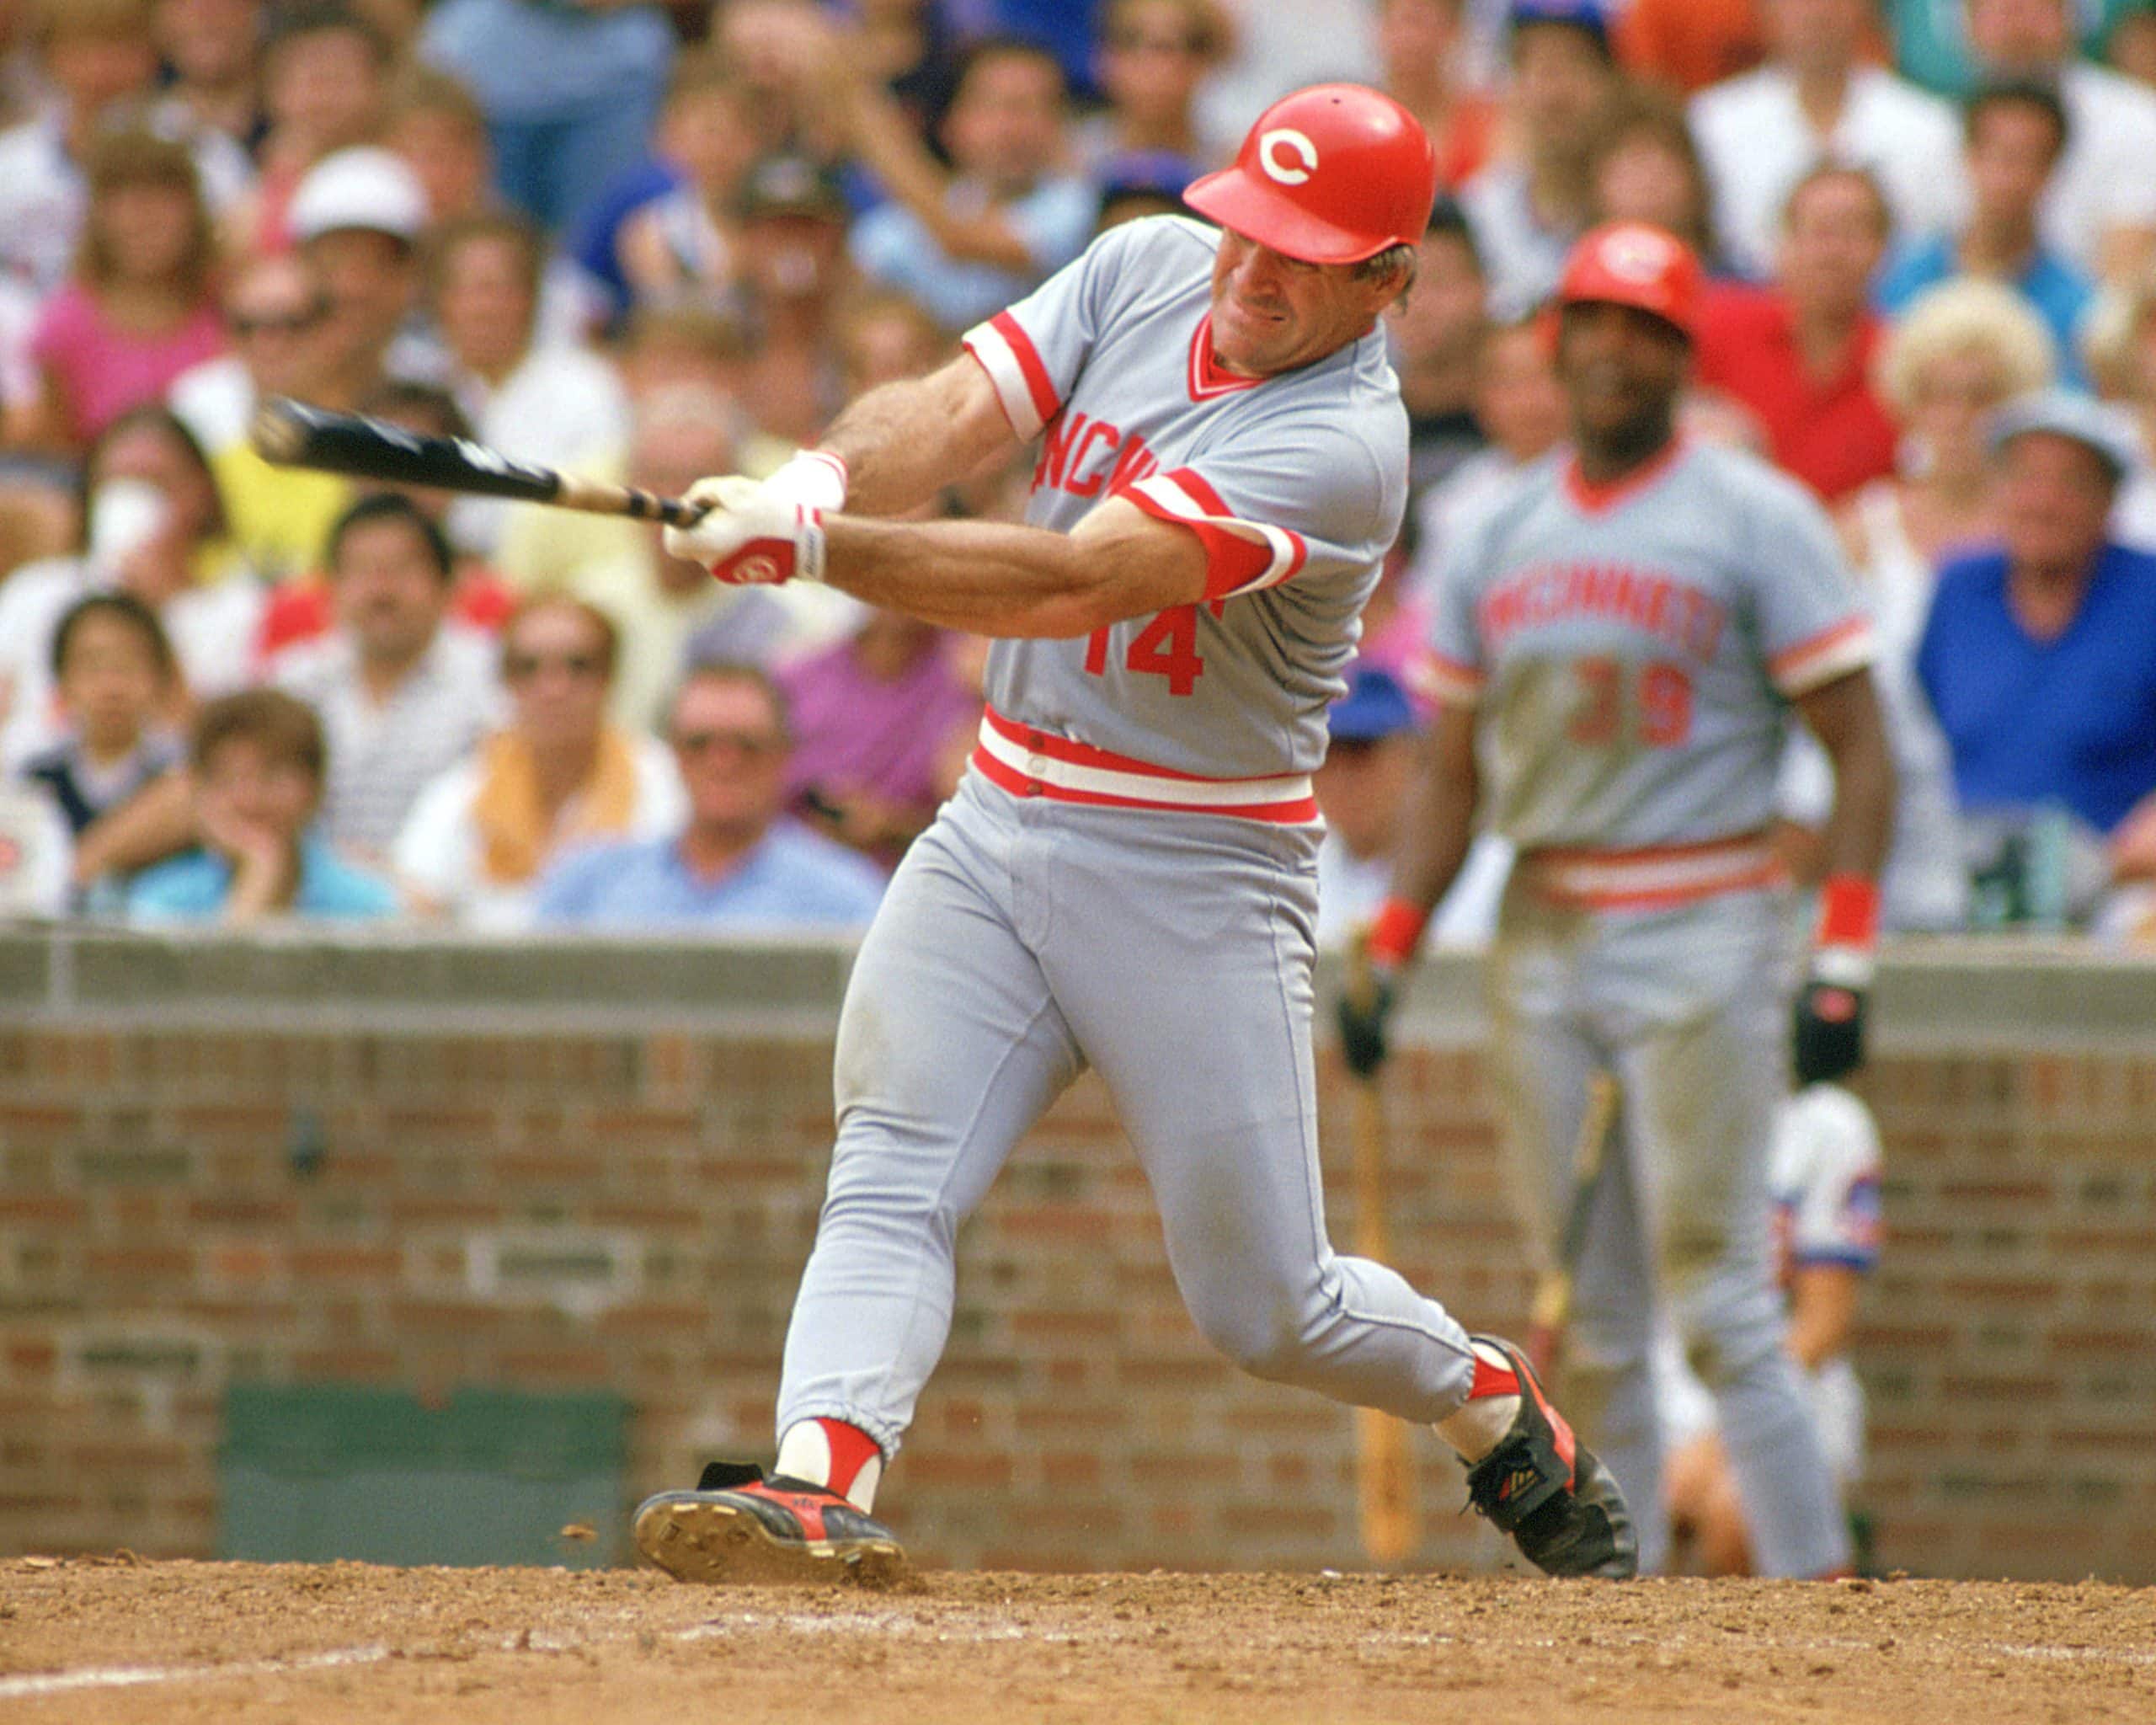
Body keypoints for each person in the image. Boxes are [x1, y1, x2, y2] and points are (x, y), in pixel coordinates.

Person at [631, 84, 1636, 1586]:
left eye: (1305, 251)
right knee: (893, 1155)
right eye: (1249, 225)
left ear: (1389, 282)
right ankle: (817, 1479)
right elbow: (956, 410)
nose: (1252, 268)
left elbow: (1072, 584)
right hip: (1002, 816)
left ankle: (1486, 1398)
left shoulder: (1343, 440)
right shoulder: (1150, 262)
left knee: (1266, 1307)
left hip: (1196, 871)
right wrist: (813, 480)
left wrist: (822, 556)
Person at [1342, 221, 1895, 1579]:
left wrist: (1846, 956)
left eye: (1643, 325)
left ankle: (1819, 1588)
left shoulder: (1756, 512)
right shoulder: (1497, 529)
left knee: (1718, 1298)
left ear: (1679, 349)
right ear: (1555, 337)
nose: (1610, 347)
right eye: (1590, 318)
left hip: (1706, 911)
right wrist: (1396, 948)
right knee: (1588, 1313)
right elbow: (1452, 773)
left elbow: (1863, 742)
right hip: (1542, 924)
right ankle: (1625, 1606)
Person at [1784, 279, 2057, 934]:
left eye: (1981, 395)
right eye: (1937, 393)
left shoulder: (2045, 534)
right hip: (1878, 793)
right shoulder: (1855, 529)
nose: (1957, 415)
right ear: (1909, 402)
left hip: (2001, 792)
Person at [1916, 391, 2156, 865]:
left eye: (2073, 483)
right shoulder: (1960, 587)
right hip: (1968, 866)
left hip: (2120, 881)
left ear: (2109, 500)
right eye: (2025, 479)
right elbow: (1918, 731)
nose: (2044, 502)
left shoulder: (2146, 592)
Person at [1660, 1076, 1883, 1577]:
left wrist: (1716, 1445)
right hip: (1667, 1391)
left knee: (1737, 1516)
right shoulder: (1641, 1108)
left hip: (1789, 1400)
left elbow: (1824, 1323)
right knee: (1610, 1520)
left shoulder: (1825, 1124)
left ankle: (1832, 1646)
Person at [394, 595, 684, 929]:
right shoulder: (463, 792)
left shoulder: (663, 780)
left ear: (609, 678)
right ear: (506, 682)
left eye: (578, 666)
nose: (553, 688)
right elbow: (415, 906)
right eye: (529, 668)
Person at [0, 405, 261, 771]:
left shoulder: (237, 608)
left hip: (165, 796)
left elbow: (213, 753)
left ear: (202, 494)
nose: (132, 501)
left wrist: (152, 610)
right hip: (30, 791)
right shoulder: (35, 590)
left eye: (155, 485)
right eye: (116, 485)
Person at [531, 661, 883, 931]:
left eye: (747, 745)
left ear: (783, 754)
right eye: (700, 744)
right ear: (674, 755)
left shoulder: (846, 898)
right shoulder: (587, 881)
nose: (723, 763)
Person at [270, 492, 504, 862]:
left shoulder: (494, 677)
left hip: (455, 897)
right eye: (361, 571)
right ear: (331, 588)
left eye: (401, 570)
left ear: (448, 584)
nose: (381, 591)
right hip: (316, 899)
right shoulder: (293, 681)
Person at [834, 34, 1099, 333]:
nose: (1012, 128)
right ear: (950, 124)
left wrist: (863, 113)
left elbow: (959, 239)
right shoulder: (892, 230)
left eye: (1032, 107)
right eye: (994, 105)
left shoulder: (1081, 209)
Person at [1688, 0, 1961, 284]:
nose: (1818, 11)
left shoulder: (1929, 125)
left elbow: (1947, 243)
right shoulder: (1711, 124)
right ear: (1765, 10)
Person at [1694, 165, 1898, 503]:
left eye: (1852, 233)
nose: (1833, 253)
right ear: (1784, 243)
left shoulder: (1902, 364)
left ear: (1883, 250)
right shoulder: (1718, 325)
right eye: (1819, 232)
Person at [1874, 82, 2095, 387]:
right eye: (1997, 153)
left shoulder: (2079, 304)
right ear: (1968, 156)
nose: (2009, 175)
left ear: (2053, 169)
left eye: (2029, 157)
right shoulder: (1899, 278)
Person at [23, 131, 229, 454]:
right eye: (124, 202)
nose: (144, 219)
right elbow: (57, 452)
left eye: (163, 199)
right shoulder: (64, 325)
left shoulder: (232, 309)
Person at [124, 686, 400, 924]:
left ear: (314, 788)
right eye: (227, 779)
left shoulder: (367, 905)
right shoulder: (162, 902)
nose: (248, 799)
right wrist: (258, 870)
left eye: (271, 776)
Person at [1314, 662, 1511, 946]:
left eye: (1360, 752)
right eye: (1325, 755)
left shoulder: (1490, 874)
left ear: (1416, 756)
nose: (1340, 777)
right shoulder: (1294, 871)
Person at [1962, 0, 2156, 285]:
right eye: (2004, 10)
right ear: (1969, 24)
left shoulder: (2139, 120)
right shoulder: (1933, 126)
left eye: (2038, 8)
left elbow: (2126, 281)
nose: (2021, 27)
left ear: (2072, 16)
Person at [777, 606, 980, 872]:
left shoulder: (971, 675)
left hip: (921, 873)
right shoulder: (800, 677)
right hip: (793, 867)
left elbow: (980, 829)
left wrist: (891, 826)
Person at [1460, 0, 1617, 319]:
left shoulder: (1636, 206)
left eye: (1576, 64)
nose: (1557, 92)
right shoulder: (1479, 211)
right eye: (1538, 65)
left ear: (1610, 82)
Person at [19, 591, 183, 841]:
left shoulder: (178, 772)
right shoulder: (36, 785)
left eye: (127, 666)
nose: (111, 687)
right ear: (62, 683)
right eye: (93, 667)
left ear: (159, 679)